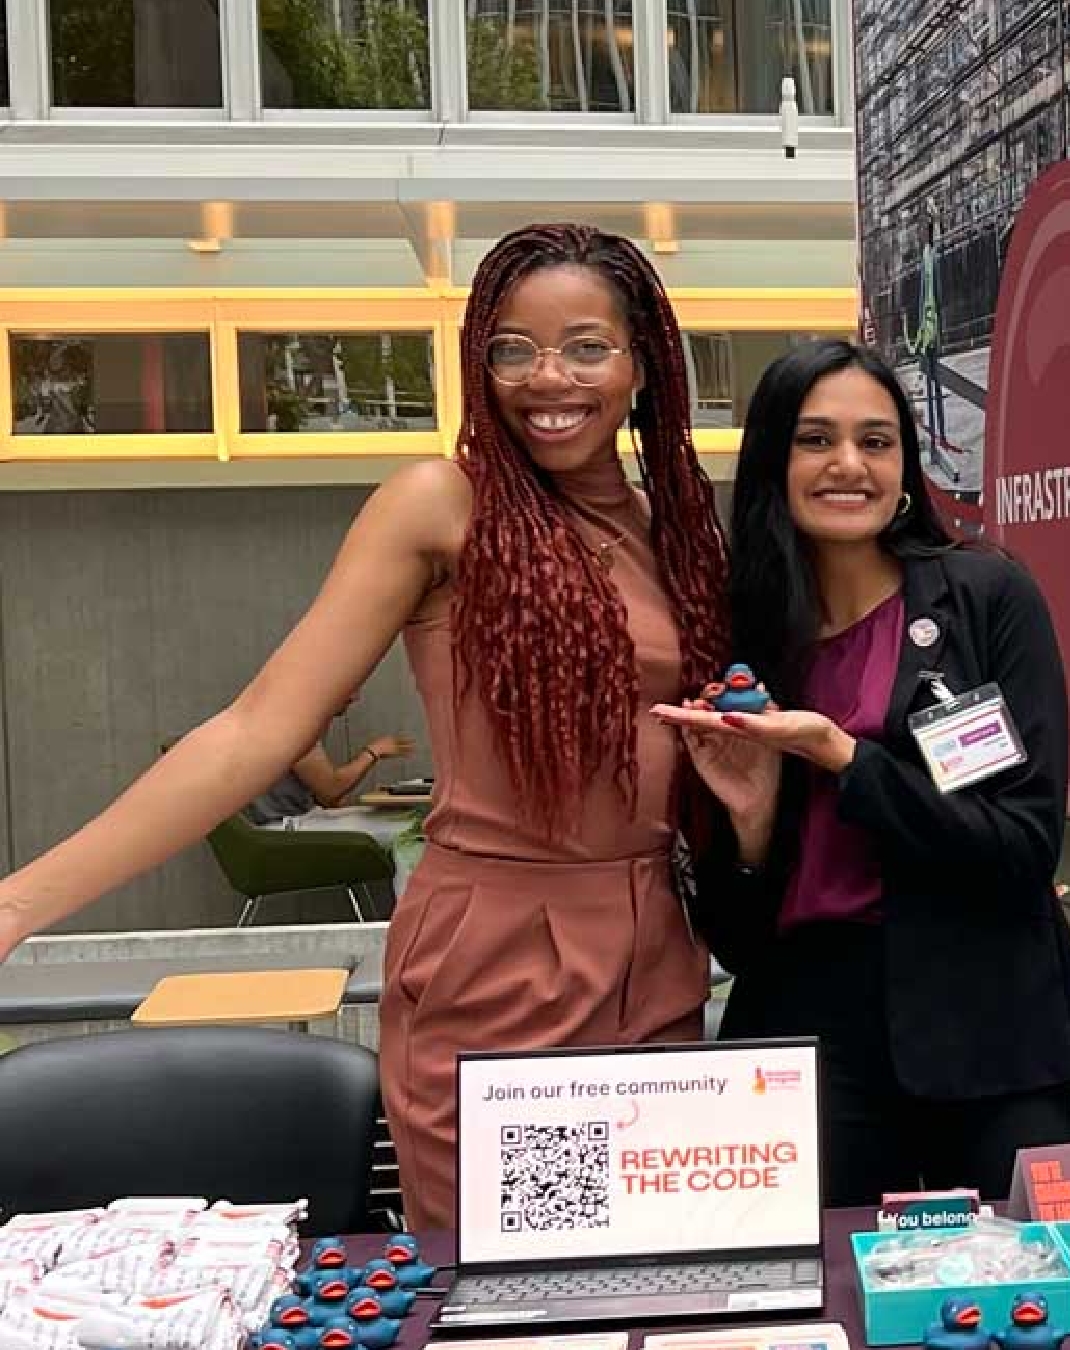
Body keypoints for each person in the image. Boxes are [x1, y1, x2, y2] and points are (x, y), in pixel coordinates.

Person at [0, 223, 729, 1228]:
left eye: (586, 347)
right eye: (512, 349)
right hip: (501, 954)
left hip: (655, 949)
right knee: (508, 1280)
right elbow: (256, 729)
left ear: (642, 362)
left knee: (657, 1266)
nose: (547, 377)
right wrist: (18, 905)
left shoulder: (674, 528)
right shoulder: (441, 503)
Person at [653, 340, 1070, 1206]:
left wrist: (842, 757)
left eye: (876, 441)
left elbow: (1022, 845)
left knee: (1024, 1270)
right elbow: (738, 941)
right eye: (816, 440)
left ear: (906, 465)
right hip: (807, 1026)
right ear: (772, 463)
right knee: (820, 1275)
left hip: (988, 1015)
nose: (849, 464)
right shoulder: (740, 636)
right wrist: (752, 822)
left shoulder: (983, 598)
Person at [247, 691, 414, 826]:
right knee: (403, 828)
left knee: (400, 818)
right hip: (283, 825)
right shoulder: (295, 725)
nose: (355, 697)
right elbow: (330, 790)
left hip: (299, 817)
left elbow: (326, 798)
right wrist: (372, 752)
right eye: (350, 687)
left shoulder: (298, 719)